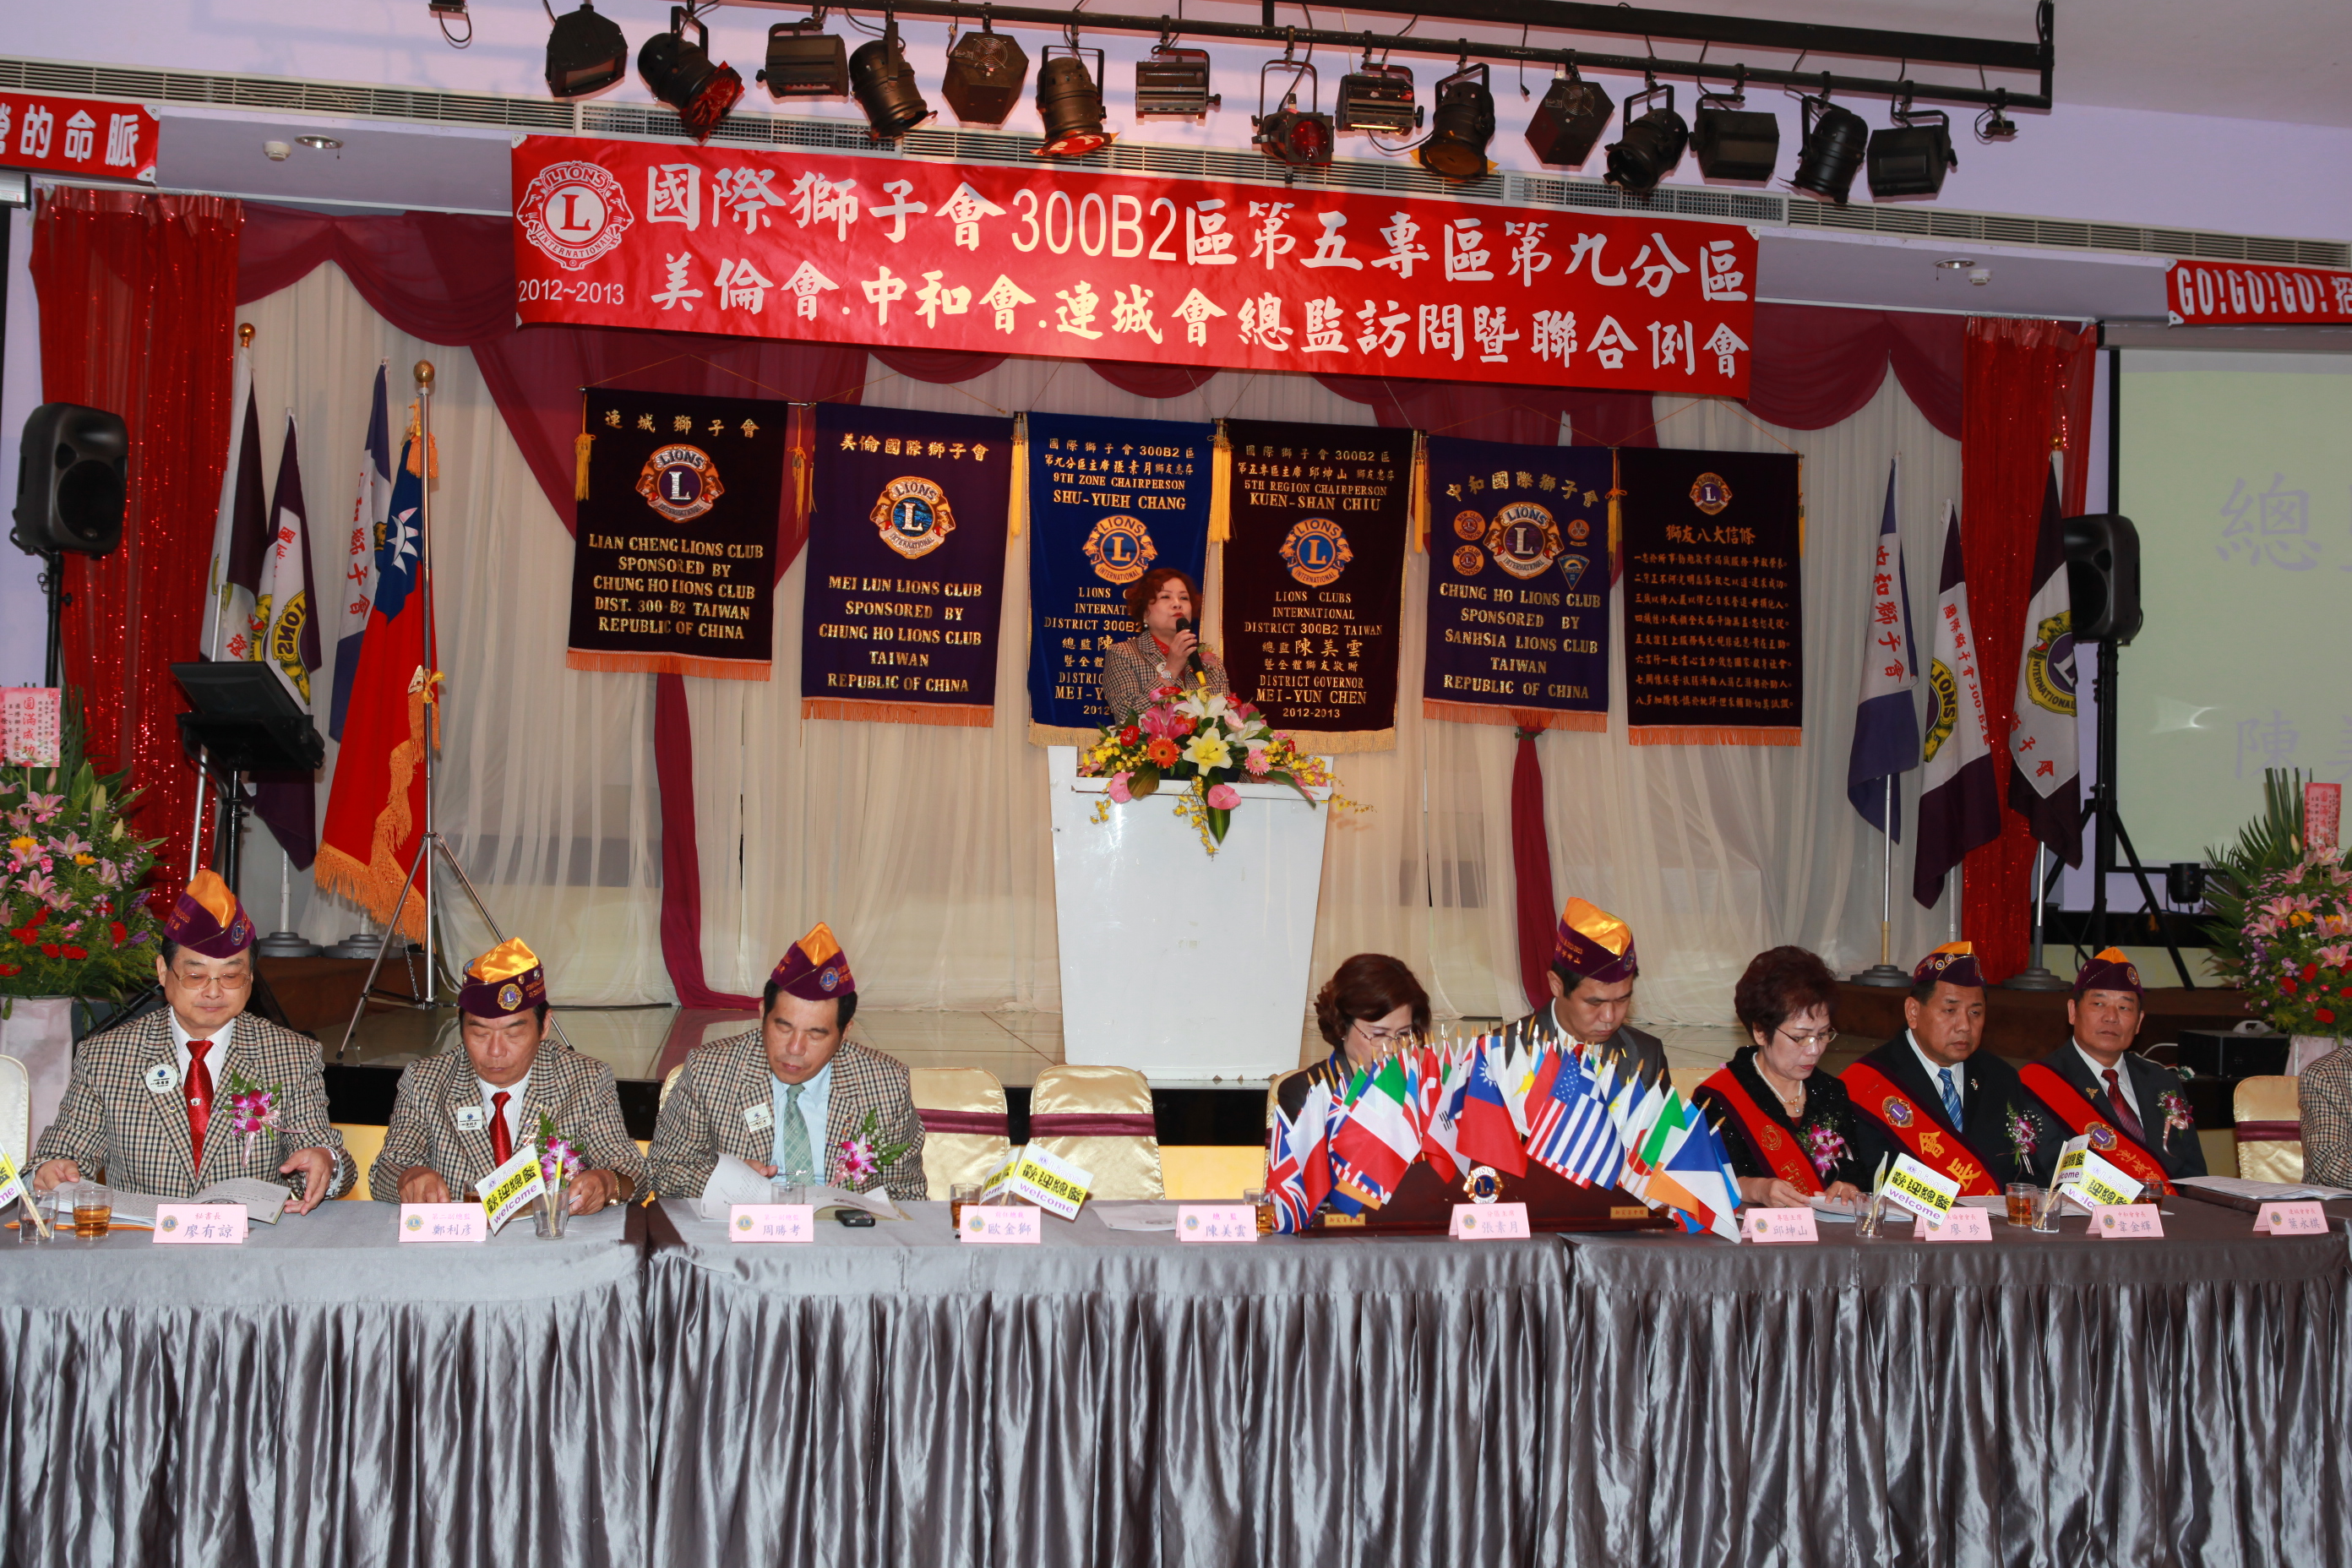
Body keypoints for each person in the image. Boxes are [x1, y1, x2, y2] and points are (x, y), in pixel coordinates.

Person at [30, 870, 352, 1209]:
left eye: (231, 976)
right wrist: (54, 1169)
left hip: (249, 1234)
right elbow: (62, 1152)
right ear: (162, 971)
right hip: (142, 1236)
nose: (213, 992)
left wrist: (324, 1162)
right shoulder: (106, 1056)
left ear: (251, 978)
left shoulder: (291, 1054)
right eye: (196, 975)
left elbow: (319, 1149)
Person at [647, 922, 924, 1202]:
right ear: (762, 1013)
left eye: (815, 1035)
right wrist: (726, 1182)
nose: (794, 1048)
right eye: (783, 1028)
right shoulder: (710, 1071)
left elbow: (905, 1191)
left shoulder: (885, 1083)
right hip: (742, 1224)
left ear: (844, 1033)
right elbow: (665, 1170)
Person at [370, 939, 642, 1211]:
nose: (496, 1051)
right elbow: (386, 1169)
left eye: (513, 1034)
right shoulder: (426, 1080)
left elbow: (632, 1171)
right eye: (480, 1033)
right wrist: (409, 1177)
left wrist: (607, 1182)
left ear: (544, 1026)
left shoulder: (584, 1079)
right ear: (460, 1025)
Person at [1843, 942, 2050, 1194]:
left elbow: (2027, 1175)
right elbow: (1863, 1180)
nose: (1964, 1025)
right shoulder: (1870, 1082)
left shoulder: (2001, 1078)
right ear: (1913, 1012)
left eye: (1975, 1013)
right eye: (1950, 1010)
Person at [1694, 946, 1871, 1207]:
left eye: (1823, 1034)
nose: (1815, 1049)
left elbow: (1856, 1169)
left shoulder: (1831, 1091)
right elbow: (1700, 1182)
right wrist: (1754, 1189)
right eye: (1800, 1037)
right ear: (1760, 1032)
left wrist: (1848, 1186)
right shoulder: (1718, 1099)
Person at [2017, 948, 2204, 1192]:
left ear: (2139, 1021)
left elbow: (2193, 1174)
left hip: (2170, 1213)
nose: (2111, 1017)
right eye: (2099, 1004)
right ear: (2073, 1012)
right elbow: (2040, 1178)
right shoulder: (2039, 1084)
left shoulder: (2162, 1082)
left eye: (2124, 1008)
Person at [1494, 896, 1670, 1088]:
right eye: (1595, 1003)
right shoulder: (1498, 1051)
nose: (1609, 1017)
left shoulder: (1645, 1054)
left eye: (1621, 1000)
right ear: (1557, 985)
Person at [1277, 953, 1432, 1118]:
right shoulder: (1308, 1092)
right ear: (1342, 1026)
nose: (1393, 1048)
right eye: (1379, 1034)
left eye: (1403, 1033)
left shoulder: (1421, 1088)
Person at [1098, 566, 1232, 723]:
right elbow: (1128, 718)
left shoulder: (1210, 662)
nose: (1177, 604)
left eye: (1184, 598)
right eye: (1166, 597)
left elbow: (1228, 721)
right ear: (1145, 612)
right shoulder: (1123, 653)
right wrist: (1171, 669)